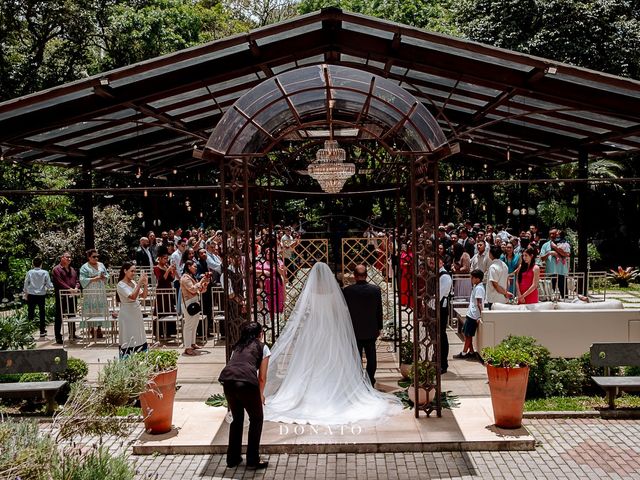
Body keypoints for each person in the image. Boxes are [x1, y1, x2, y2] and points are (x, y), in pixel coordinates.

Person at [264, 262, 402, 425]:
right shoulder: (336, 293)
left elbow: (304, 313)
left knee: (311, 361)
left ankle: (312, 391)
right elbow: (341, 312)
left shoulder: (318, 293)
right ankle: (360, 383)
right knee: (343, 358)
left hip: (313, 331)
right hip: (335, 330)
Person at [218, 322, 270, 470]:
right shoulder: (263, 347)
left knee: (237, 419)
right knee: (257, 419)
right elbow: (262, 377)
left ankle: (232, 458)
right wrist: (260, 395)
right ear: (260, 334)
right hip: (247, 383)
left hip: (228, 382)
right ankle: (253, 460)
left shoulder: (237, 346)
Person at [342, 264, 383, 386]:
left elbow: (344, 311)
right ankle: (370, 379)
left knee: (356, 357)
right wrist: (379, 327)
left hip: (354, 329)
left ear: (354, 276)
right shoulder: (375, 290)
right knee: (371, 356)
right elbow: (378, 310)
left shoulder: (347, 291)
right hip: (371, 328)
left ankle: (357, 379)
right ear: (366, 275)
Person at [116, 262, 149, 357]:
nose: (134, 273)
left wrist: (145, 284)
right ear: (125, 271)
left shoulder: (133, 282)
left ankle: (141, 355)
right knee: (128, 335)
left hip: (136, 313)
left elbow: (144, 296)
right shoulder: (121, 284)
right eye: (132, 271)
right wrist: (139, 282)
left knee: (139, 334)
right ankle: (127, 357)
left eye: (135, 271)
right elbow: (133, 297)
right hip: (127, 314)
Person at [453, 269, 485, 361]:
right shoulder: (477, 286)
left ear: (478, 279)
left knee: (468, 335)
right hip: (471, 313)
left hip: (474, 315)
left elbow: (479, 303)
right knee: (466, 333)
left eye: (473, 278)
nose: (471, 279)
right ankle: (471, 352)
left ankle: (464, 353)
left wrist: (482, 315)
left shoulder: (479, 288)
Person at [180, 259, 210, 355]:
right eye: (194, 266)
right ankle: (187, 347)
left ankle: (192, 343)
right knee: (189, 325)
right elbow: (192, 289)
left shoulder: (191, 277)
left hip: (194, 301)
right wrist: (201, 281)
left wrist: (204, 285)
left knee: (195, 323)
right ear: (189, 267)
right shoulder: (185, 278)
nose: (196, 268)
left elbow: (199, 290)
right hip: (188, 303)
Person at [79, 248, 109, 338]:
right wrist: (93, 279)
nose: (96, 258)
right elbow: (82, 279)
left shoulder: (101, 265)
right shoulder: (85, 267)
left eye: (97, 256)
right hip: (90, 291)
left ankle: (99, 328)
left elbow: (107, 275)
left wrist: (104, 277)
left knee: (100, 309)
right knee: (91, 309)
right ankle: (91, 328)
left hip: (100, 290)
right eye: (94, 257)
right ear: (89, 257)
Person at [52, 251, 80, 343]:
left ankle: (72, 334)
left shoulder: (72, 270)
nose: (69, 259)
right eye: (67, 257)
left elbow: (77, 280)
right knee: (59, 316)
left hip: (72, 296)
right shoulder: (56, 269)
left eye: (70, 257)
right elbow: (59, 282)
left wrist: (76, 288)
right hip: (62, 296)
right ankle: (58, 336)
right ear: (62, 258)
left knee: (72, 315)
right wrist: (69, 289)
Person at [23, 257, 53, 338]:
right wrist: (52, 288)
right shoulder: (45, 272)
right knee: (42, 313)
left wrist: (25, 293)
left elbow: (26, 283)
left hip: (31, 294)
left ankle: (29, 331)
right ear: (41, 264)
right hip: (41, 295)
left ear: (33, 264)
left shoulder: (29, 272)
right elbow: (48, 284)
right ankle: (42, 331)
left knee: (30, 312)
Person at [438, 257, 453, 374]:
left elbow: (440, 295)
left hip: (441, 309)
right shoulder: (436, 274)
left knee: (441, 335)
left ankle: (443, 363)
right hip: (434, 308)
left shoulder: (445, 276)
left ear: (442, 262)